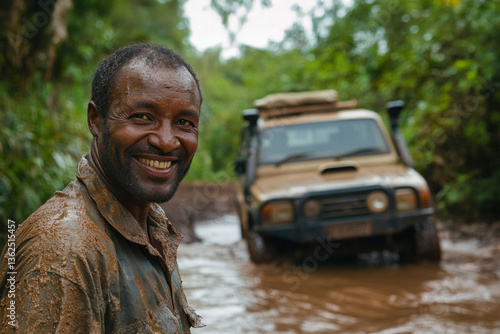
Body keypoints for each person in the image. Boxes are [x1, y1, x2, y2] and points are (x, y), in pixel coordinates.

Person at [0, 43, 204, 333]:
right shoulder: (63, 253)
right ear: (95, 120)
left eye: (184, 122)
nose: (167, 141)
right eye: (142, 117)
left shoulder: (150, 226)